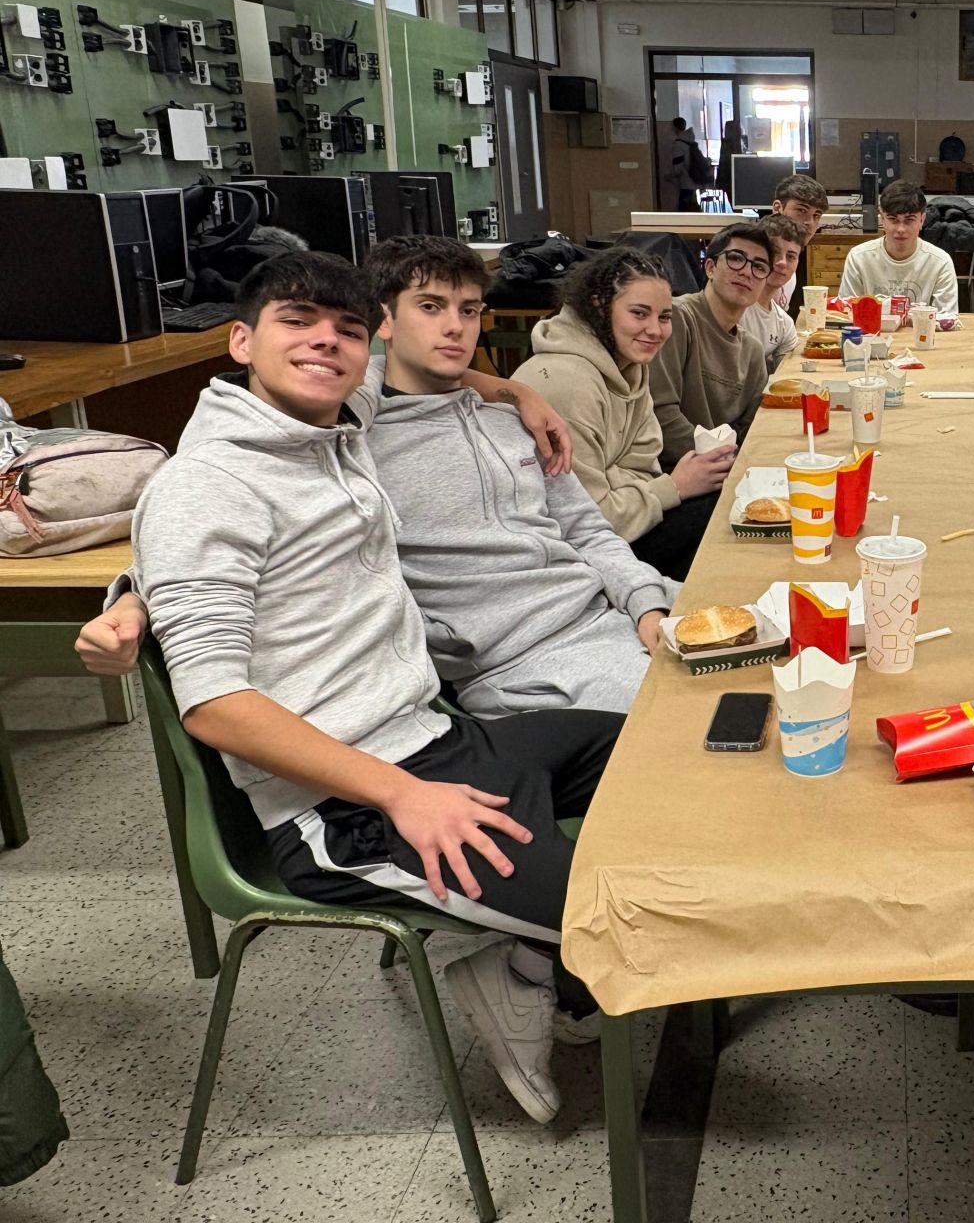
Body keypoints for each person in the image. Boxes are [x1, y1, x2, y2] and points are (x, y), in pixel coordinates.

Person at [120, 253, 622, 1125]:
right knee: (621, 919)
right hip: (348, 809)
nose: (326, 342)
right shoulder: (206, 484)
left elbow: (441, 371)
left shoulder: (335, 427)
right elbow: (212, 704)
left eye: (348, 329)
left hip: (435, 735)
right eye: (297, 322)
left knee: (649, 747)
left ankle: (523, 954)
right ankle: (518, 957)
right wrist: (404, 796)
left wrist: (515, 394)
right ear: (239, 340)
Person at [364, 236, 677, 716]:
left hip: (607, 607)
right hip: (528, 662)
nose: (454, 327)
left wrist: (644, 601)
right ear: (384, 318)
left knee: (798, 628)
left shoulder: (513, 421)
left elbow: (586, 529)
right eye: (430, 307)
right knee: (709, 721)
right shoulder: (358, 441)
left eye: (469, 311)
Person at [512, 247, 734, 581]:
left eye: (663, 317)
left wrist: (638, 483)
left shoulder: (629, 364)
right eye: (639, 313)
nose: (656, 330)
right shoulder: (569, 382)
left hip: (619, 519)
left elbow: (644, 463)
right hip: (569, 553)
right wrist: (674, 487)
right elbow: (586, 517)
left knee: (727, 499)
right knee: (717, 518)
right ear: (600, 307)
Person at [648, 221, 771, 467]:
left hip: (723, 467)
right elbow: (659, 413)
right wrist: (722, 464)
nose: (747, 272)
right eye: (736, 258)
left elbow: (749, 429)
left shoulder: (753, 351)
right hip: (674, 470)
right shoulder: (676, 319)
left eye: (759, 267)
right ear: (711, 267)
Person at [838, 180, 959, 315]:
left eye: (909, 220)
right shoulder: (859, 257)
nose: (901, 229)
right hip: (870, 334)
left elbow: (946, 318)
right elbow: (846, 313)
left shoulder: (941, 262)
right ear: (882, 219)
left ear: (922, 220)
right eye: (893, 219)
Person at [743, 212, 804, 372]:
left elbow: (785, 379)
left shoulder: (784, 324)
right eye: (775, 252)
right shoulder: (735, 308)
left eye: (791, 256)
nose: (782, 262)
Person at [767, 173, 830, 309]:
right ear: (778, 208)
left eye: (816, 216)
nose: (809, 222)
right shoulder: (755, 257)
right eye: (801, 210)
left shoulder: (791, 264)